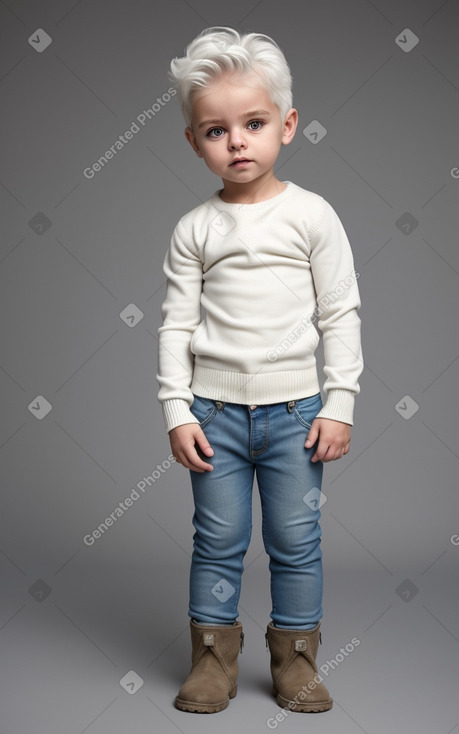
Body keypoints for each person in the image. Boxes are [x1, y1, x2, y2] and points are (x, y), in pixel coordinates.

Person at [157, 26, 363, 714]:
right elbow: (176, 327)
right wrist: (176, 410)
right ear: (194, 142)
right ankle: (212, 661)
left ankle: (295, 663)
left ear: (287, 125)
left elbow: (340, 315)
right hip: (213, 414)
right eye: (216, 130)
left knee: (295, 540)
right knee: (216, 542)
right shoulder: (195, 229)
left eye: (253, 123)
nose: (237, 141)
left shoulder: (312, 216)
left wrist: (339, 404)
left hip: (296, 415)